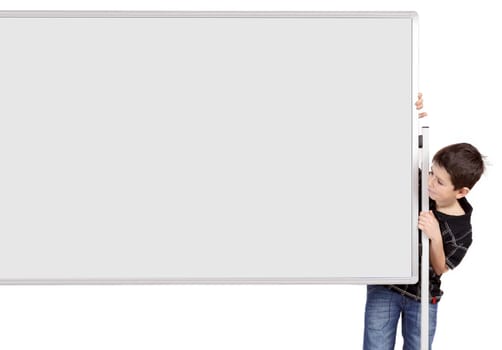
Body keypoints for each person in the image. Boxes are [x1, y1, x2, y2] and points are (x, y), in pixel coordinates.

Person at [363, 93, 486, 350]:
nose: (430, 182)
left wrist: (435, 236)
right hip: (386, 285)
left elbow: (441, 268)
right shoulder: (421, 188)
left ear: (461, 192)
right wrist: (407, 115)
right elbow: (392, 149)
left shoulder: (463, 228)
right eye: (431, 172)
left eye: (439, 182)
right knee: (375, 345)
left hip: (423, 297)